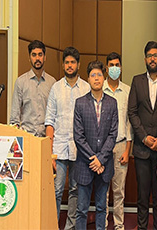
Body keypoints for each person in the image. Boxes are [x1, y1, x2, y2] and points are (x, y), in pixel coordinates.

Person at [128, 41, 157, 230]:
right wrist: (145, 137)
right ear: (145, 59)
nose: (152, 59)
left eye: (155, 55)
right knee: (142, 195)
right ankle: (142, 227)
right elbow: (132, 112)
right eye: (149, 56)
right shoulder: (137, 81)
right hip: (142, 149)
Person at [45, 47, 90, 229]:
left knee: (75, 190)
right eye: (67, 62)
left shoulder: (86, 88)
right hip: (59, 149)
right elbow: (49, 121)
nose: (70, 65)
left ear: (78, 64)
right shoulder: (56, 88)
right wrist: (49, 153)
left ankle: (70, 226)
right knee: (55, 191)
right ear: (63, 65)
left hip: (79, 150)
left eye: (73, 62)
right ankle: (53, 225)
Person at [74, 60, 118, 230]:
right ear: (88, 79)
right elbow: (79, 136)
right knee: (82, 210)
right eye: (93, 75)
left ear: (104, 77)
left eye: (99, 74)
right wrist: (94, 160)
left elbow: (113, 134)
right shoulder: (80, 103)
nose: (96, 78)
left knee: (102, 208)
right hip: (85, 165)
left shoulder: (112, 103)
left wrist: (101, 159)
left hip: (104, 165)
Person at [103, 52, 133, 230]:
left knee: (119, 190)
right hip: (103, 146)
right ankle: (103, 223)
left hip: (121, 144)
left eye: (117, 65)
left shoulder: (127, 91)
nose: (114, 68)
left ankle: (119, 225)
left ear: (121, 68)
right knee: (103, 190)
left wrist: (128, 150)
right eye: (111, 65)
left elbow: (129, 122)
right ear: (106, 68)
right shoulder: (100, 89)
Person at [10, 40, 56, 137]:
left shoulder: (52, 83)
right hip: (27, 136)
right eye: (34, 55)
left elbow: (55, 115)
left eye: (40, 55)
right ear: (29, 58)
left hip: (46, 138)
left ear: (45, 57)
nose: (37, 58)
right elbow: (14, 117)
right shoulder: (21, 82)